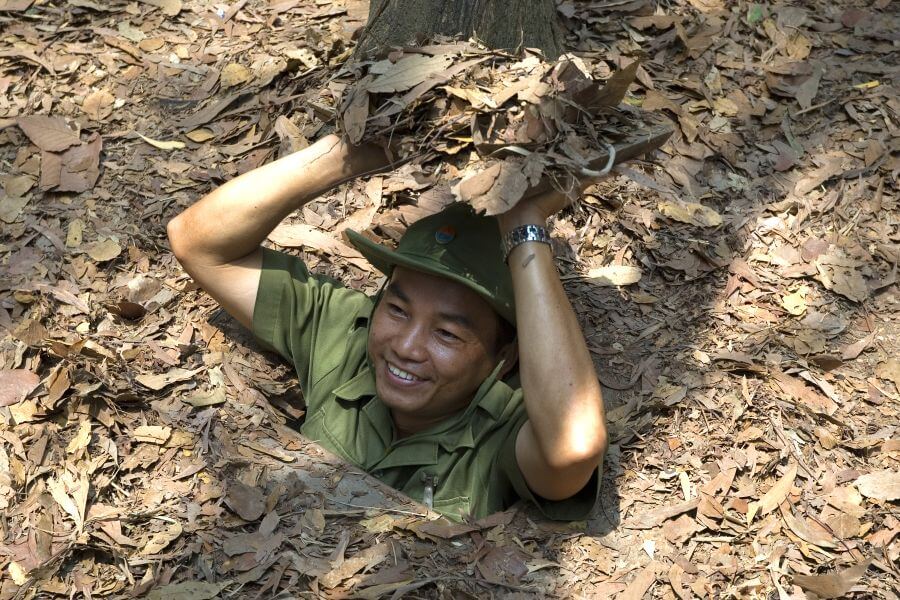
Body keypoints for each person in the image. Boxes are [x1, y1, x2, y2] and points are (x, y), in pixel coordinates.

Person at [166, 134, 608, 521]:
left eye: (447, 334)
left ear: (505, 354)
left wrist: (524, 223)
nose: (406, 347)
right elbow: (197, 243)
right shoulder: (346, 332)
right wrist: (355, 151)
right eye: (398, 310)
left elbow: (574, 446)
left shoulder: (503, 430)